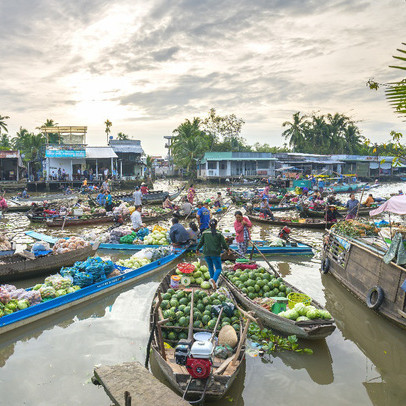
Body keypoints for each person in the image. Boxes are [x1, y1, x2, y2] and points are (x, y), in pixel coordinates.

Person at [196, 218, 230, 289]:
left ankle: (212, 283)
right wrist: (227, 250)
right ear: (216, 225)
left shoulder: (205, 232)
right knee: (218, 268)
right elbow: (224, 244)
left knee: (210, 267)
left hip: (207, 253)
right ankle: (213, 280)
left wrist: (197, 249)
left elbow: (201, 242)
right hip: (215, 253)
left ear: (209, 225)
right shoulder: (219, 233)